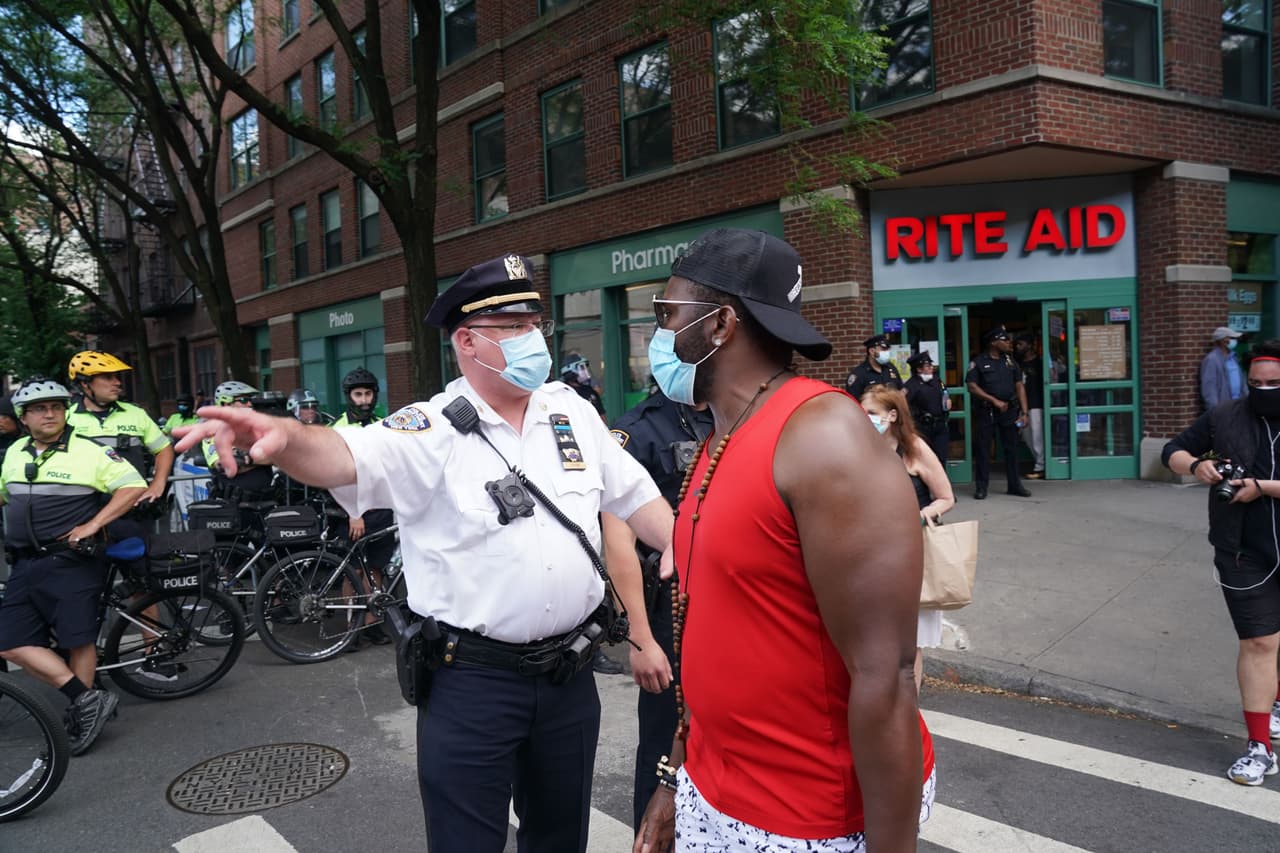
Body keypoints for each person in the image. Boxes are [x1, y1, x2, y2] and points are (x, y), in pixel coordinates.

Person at [175, 252, 673, 853]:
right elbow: (344, 455)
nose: (531, 338)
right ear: (467, 340)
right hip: (473, 684)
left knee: (559, 837)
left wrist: (692, 547)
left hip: (570, 674)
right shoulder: (429, 429)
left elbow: (640, 499)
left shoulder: (572, 411)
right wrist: (283, 441)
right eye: (512, 327)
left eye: (534, 323)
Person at [634, 228, 934, 853]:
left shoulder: (824, 436)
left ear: (720, 325)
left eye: (668, 313)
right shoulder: (720, 436)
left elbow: (888, 673)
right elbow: (701, 628)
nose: (658, 332)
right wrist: (674, 780)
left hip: (806, 819)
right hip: (715, 795)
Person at [0, 378, 146, 755]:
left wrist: (94, 524)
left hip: (70, 561)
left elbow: (132, 486)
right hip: (24, 562)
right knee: (11, 643)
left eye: (56, 407)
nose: (49, 414)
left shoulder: (90, 451)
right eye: (38, 408)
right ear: (23, 417)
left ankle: (82, 714)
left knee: (76, 638)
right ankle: (87, 698)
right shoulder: (16, 450)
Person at [1163, 339, 1280, 786]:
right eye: (1256, 384)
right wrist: (1196, 466)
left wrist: (1263, 487)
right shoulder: (1227, 415)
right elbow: (1171, 450)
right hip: (1240, 549)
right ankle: (1258, 747)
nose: (1263, 390)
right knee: (1259, 642)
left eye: (1274, 384)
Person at [604, 390, 713, 831]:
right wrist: (642, 639)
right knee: (664, 746)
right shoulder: (637, 430)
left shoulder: (735, 415)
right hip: (670, 612)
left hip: (726, 606)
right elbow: (618, 544)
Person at [861, 384, 956, 691]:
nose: (865, 418)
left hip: (912, 554)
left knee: (910, 640)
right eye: (861, 412)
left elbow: (945, 497)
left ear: (891, 415)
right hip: (870, 558)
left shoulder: (914, 448)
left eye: (871, 413)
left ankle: (909, 707)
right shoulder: (857, 449)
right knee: (874, 636)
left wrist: (923, 514)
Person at [331, 368, 395, 648]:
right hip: (352, 513)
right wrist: (353, 513)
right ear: (349, 397)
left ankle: (372, 622)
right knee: (354, 571)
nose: (364, 400)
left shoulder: (382, 426)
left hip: (380, 509)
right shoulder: (337, 430)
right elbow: (336, 478)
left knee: (377, 569)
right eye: (358, 394)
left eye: (368, 394)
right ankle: (352, 625)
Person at [65, 351, 173, 513]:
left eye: (116, 377)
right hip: (83, 509)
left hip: (131, 508)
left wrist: (158, 483)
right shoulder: (67, 417)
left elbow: (163, 448)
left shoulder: (135, 413)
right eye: (108, 377)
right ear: (85, 383)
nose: (117, 383)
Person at [966, 326, 1031, 500]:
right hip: (987, 411)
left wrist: (1024, 412)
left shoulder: (1010, 362)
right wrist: (993, 400)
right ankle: (981, 487)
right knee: (983, 449)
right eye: (1004, 340)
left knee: (1012, 448)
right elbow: (972, 386)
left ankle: (1014, 485)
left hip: (1009, 411)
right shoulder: (978, 362)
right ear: (993, 342)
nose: (1008, 343)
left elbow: (1019, 385)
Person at [203, 381, 275, 502]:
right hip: (235, 504)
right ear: (225, 403)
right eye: (243, 400)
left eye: (250, 400)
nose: (250, 404)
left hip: (266, 501)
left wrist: (247, 459)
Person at [903, 351, 950, 466]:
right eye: (928, 366)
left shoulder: (937, 381)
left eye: (931, 365)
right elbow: (902, 405)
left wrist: (948, 401)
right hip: (922, 427)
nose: (931, 368)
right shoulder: (911, 385)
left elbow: (944, 393)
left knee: (941, 457)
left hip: (939, 426)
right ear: (919, 369)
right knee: (924, 459)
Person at [1015, 334, 1046, 479]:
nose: (1018, 347)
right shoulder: (1018, 363)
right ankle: (1040, 462)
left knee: (1037, 436)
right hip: (1023, 406)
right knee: (1026, 435)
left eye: (1021, 344)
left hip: (1036, 404)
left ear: (1030, 345)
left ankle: (1041, 467)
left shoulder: (1039, 363)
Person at [845, 333, 903, 400]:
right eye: (883, 349)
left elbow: (900, 391)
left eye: (888, 349)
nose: (887, 352)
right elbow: (853, 402)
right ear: (872, 351)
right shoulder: (859, 374)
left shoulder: (891, 368)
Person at [1201, 326, 1246, 411]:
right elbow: (1209, 389)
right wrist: (1215, 410)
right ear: (1223, 340)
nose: (1235, 341)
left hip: (1239, 406)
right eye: (1232, 338)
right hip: (1223, 409)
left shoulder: (1234, 357)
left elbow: (1242, 382)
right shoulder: (1212, 360)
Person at [560, 352, 605, 417]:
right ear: (570, 372)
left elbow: (601, 418)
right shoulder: (561, 392)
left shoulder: (590, 392)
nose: (585, 371)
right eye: (582, 367)